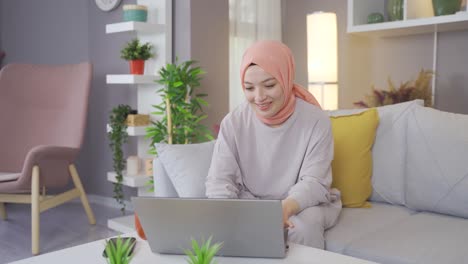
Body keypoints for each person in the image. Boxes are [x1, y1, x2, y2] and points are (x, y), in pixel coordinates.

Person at [205, 40, 341, 249]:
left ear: (286, 79)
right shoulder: (233, 122)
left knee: (302, 230)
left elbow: (314, 182)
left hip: (302, 202)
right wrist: (223, 216)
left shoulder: (315, 120)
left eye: (269, 85)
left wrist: (285, 208)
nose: (259, 97)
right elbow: (219, 181)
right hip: (252, 200)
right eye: (249, 88)